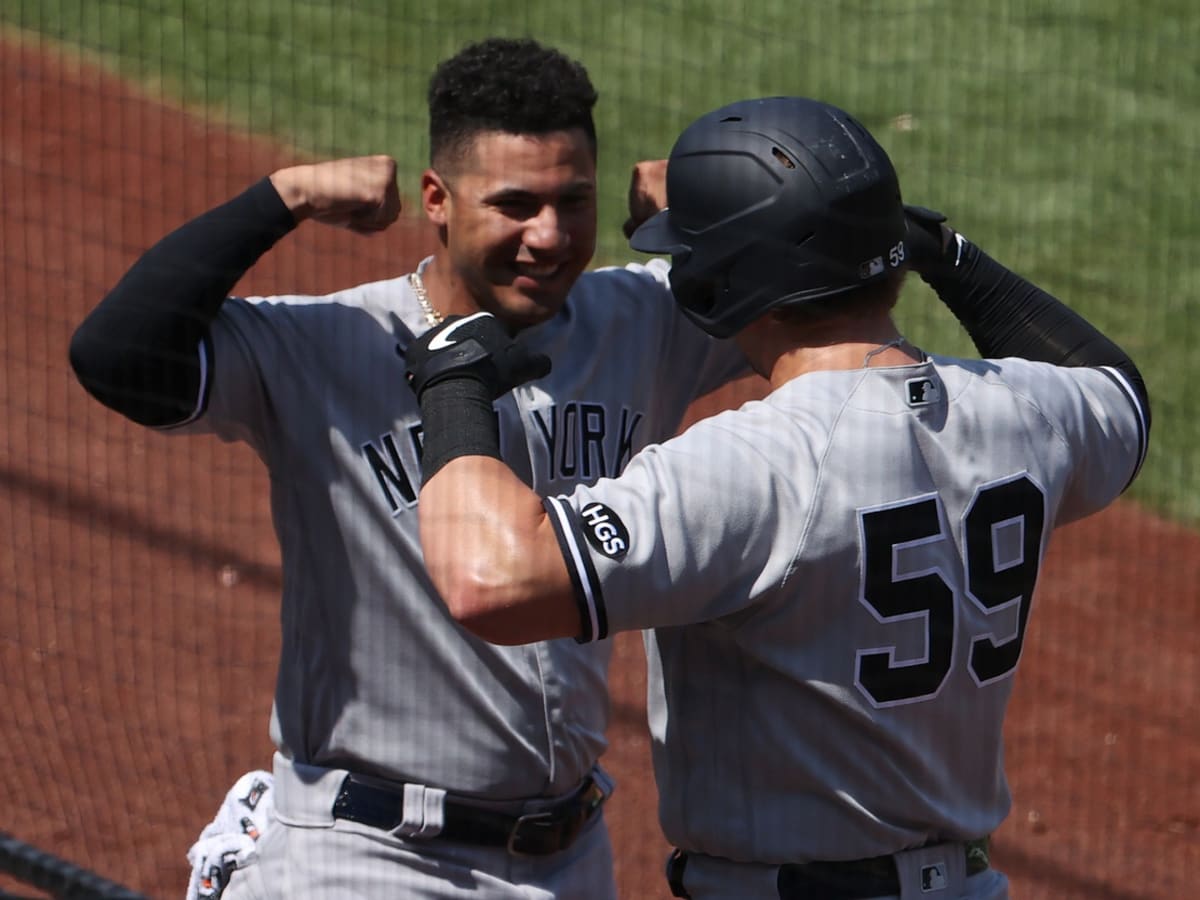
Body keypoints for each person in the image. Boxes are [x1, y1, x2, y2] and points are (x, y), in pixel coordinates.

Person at [411, 95, 1151, 900]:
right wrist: (947, 253)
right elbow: (1118, 389)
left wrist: (453, 382)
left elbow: (488, 579)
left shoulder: (755, 466)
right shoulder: (1026, 413)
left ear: (713, 284)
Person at [68, 37, 747, 900]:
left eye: (573, 201)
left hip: (569, 859)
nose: (550, 236)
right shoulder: (323, 343)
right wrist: (286, 196)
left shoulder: (638, 319)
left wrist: (703, 210)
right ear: (437, 199)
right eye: (515, 204)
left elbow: (822, 290)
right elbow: (114, 355)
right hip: (369, 858)